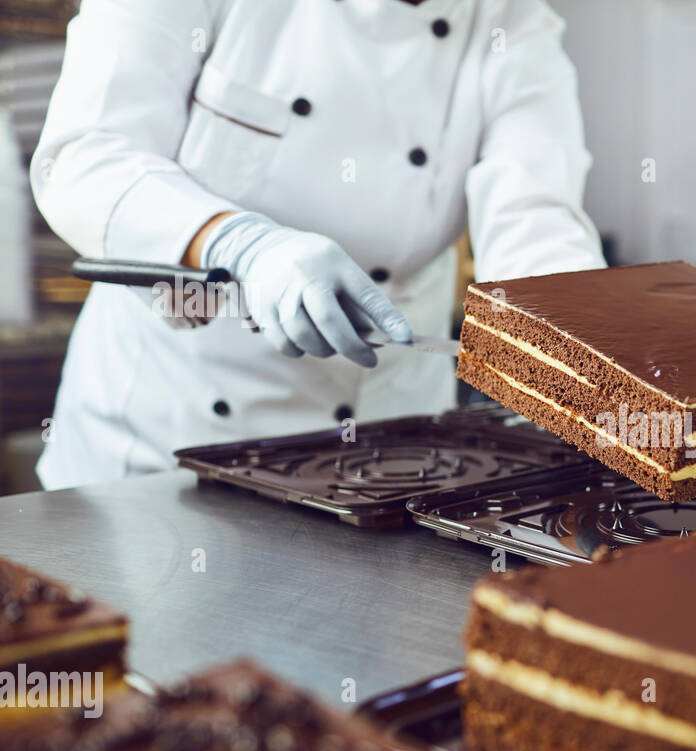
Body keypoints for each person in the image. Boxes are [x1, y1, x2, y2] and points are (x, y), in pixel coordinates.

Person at [31, 0, 604, 489]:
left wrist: (595, 370)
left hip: (396, 456)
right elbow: (85, 157)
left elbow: (536, 219)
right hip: (164, 451)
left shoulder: (513, 21)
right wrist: (241, 246)